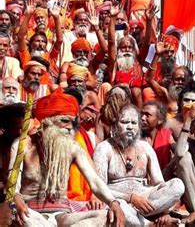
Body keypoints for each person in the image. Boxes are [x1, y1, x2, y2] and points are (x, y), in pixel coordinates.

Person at [8, 88, 125, 226]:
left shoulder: (73, 146)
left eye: (72, 122)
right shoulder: (23, 144)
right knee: (20, 218)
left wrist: (113, 202)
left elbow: (94, 181)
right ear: (48, 121)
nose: (70, 127)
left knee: (106, 215)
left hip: (63, 215)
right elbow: (12, 184)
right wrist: (16, 198)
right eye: (64, 121)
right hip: (32, 213)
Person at [93, 104, 185, 225]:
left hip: (146, 200)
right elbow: (100, 188)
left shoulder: (145, 147)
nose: (130, 127)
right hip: (120, 200)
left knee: (177, 185)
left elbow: (159, 183)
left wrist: (164, 209)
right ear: (115, 126)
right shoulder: (104, 149)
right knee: (118, 206)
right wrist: (130, 198)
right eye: (125, 122)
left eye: (134, 123)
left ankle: (149, 216)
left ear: (139, 126)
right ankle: (148, 224)